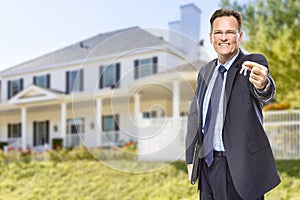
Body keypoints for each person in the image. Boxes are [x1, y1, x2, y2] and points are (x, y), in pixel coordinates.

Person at [185, 9, 281, 200]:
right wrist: (190, 159)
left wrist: (263, 84)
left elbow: (264, 91)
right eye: (218, 33)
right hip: (207, 167)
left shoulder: (252, 63)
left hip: (240, 168)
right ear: (211, 38)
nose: (224, 38)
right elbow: (195, 115)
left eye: (230, 32)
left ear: (240, 36)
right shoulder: (205, 71)